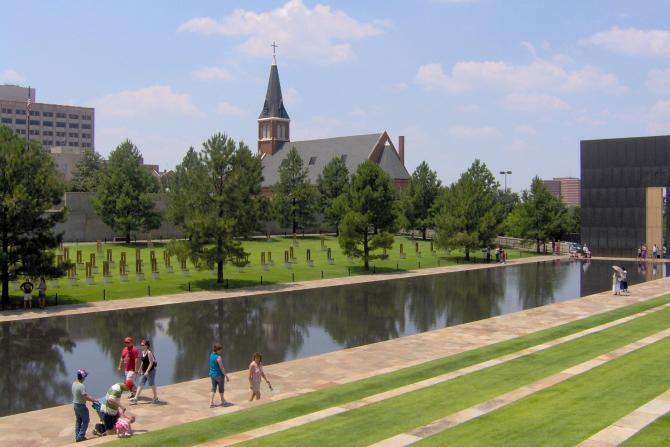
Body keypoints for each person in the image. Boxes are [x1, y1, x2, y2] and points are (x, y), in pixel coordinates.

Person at [130, 339, 159, 404]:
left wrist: (147, 371)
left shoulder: (149, 353)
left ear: (147, 346)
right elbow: (143, 362)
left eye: (143, 345)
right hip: (144, 371)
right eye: (141, 345)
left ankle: (155, 397)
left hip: (150, 371)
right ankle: (135, 398)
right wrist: (140, 369)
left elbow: (151, 363)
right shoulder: (143, 352)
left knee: (151, 384)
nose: (141, 346)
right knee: (140, 384)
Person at [72, 368, 96, 443]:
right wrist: (93, 400)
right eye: (85, 376)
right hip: (81, 405)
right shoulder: (81, 386)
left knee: (78, 421)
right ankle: (80, 436)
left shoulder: (74, 383)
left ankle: (77, 436)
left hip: (75, 404)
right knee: (86, 420)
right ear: (82, 377)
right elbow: (85, 396)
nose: (85, 378)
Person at [209, 343, 230, 408]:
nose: (221, 351)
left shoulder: (211, 355)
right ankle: (223, 400)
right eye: (220, 350)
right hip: (219, 375)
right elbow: (222, 367)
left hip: (212, 374)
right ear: (217, 350)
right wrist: (226, 375)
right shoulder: (218, 358)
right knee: (221, 388)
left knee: (213, 388)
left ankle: (211, 403)